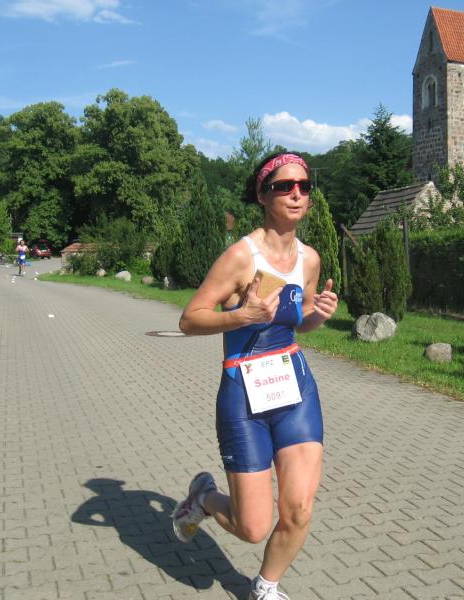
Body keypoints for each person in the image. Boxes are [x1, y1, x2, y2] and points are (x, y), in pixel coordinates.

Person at [172, 152, 339, 600]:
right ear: (263, 195)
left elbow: (300, 320)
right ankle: (203, 498)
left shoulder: (309, 259)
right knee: (252, 526)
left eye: (304, 186)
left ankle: (265, 586)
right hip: (242, 395)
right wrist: (240, 316)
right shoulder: (240, 256)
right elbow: (190, 319)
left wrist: (318, 315)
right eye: (284, 186)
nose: (296, 194)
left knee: (299, 507)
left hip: (294, 388)